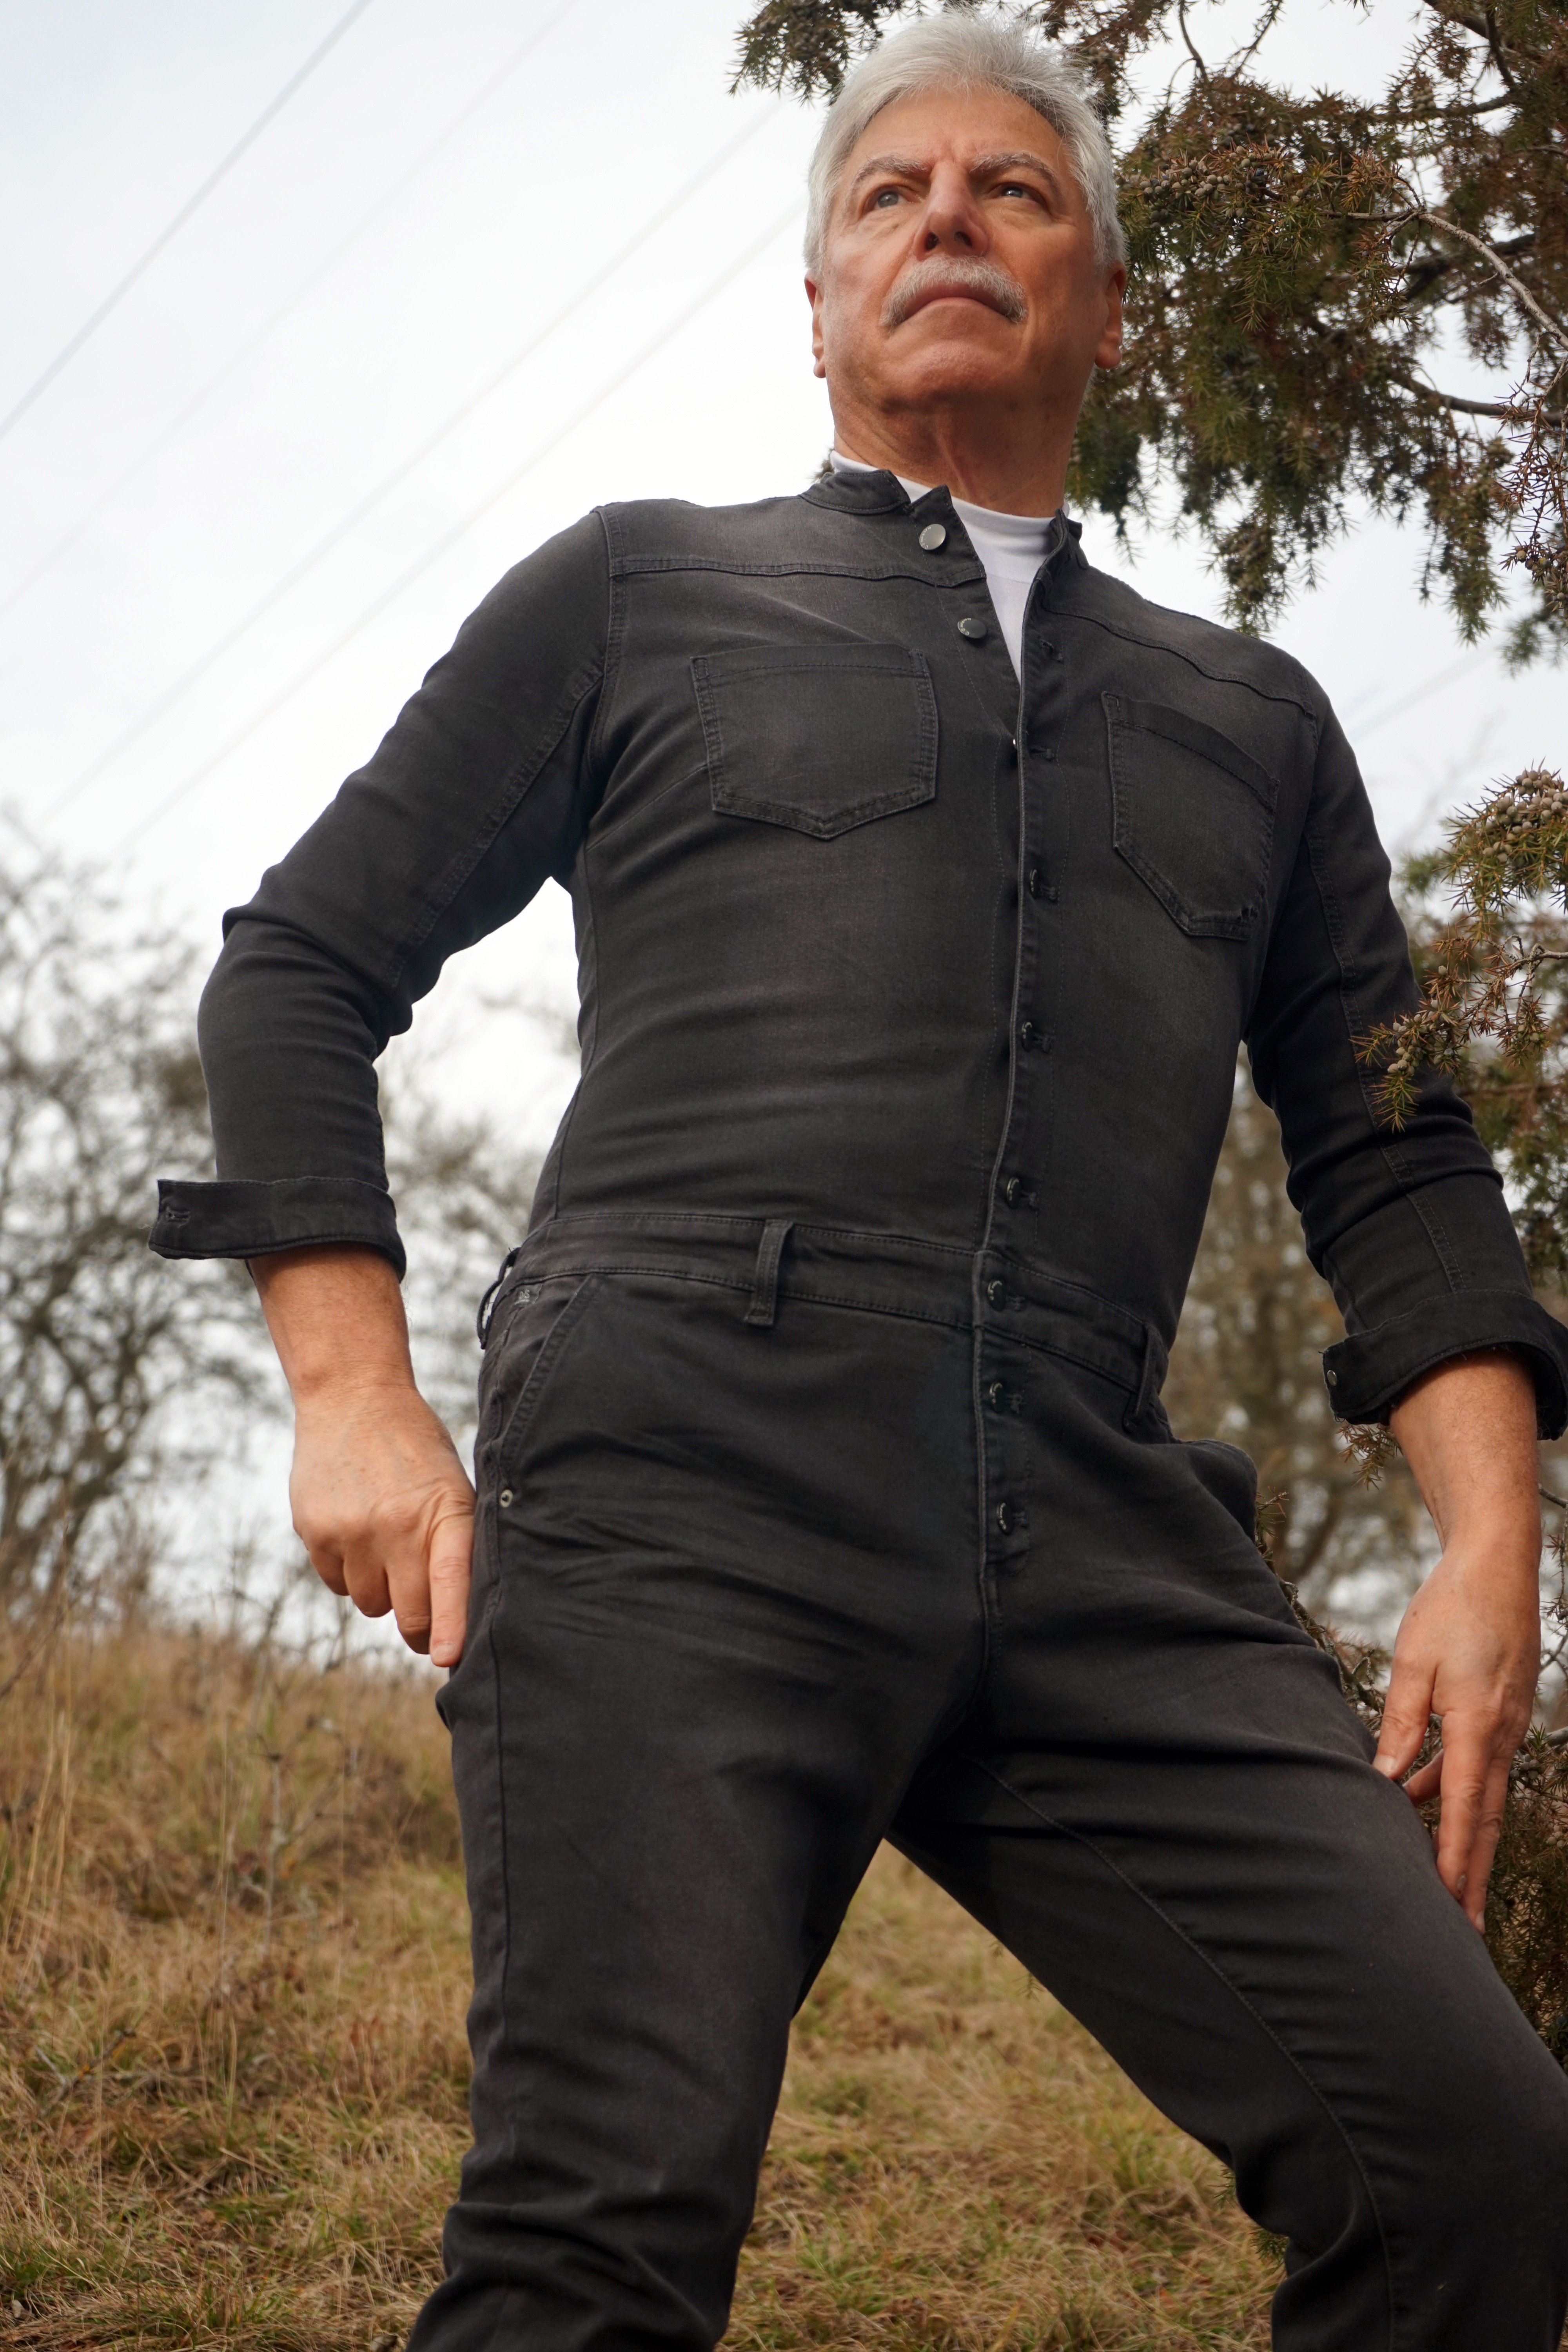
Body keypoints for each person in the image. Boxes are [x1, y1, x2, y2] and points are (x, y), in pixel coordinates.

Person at [154, 15, 1568, 2348]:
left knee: (1483, 2171)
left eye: (1016, 191)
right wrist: (354, 1397)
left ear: (1110, 308)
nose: (947, 221)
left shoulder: (1257, 721)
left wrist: (1492, 1548)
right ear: (817, 307)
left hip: (1108, 1513)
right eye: (887, 195)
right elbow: (301, 967)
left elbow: (1398, 1157)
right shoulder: (636, 592)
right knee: (600, 2237)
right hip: (686, 1468)